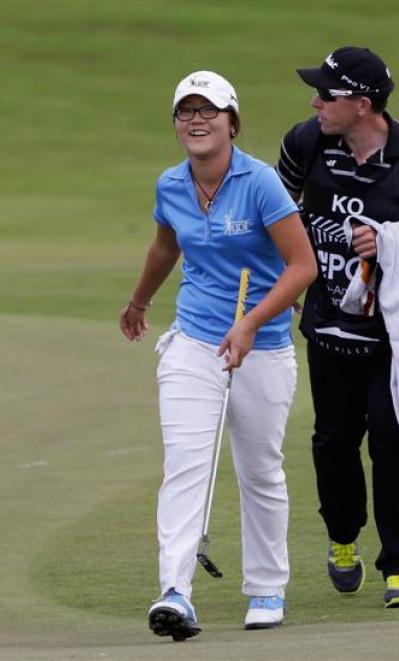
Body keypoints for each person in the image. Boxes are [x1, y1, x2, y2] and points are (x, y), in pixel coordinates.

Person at [120, 70, 316, 641]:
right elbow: (165, 244)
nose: (196, 120)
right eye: (186, 111)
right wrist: (139, 301)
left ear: (232, 122)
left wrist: (253, 322)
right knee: (186, 465)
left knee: (259, 470)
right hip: (194, 342)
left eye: (209, 110)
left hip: (264, 346)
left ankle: (266, 586)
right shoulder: (171, 185)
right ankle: (175, 592)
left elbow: (301, 267)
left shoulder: (261, 185)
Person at [276, 46, 399, 607]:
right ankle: (342, 538)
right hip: (330, 323)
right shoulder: (304, 142)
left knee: (393, 441)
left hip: (397, 332)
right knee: (333, 443)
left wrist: (393, 237)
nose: (315, 101)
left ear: (362, 105)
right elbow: (275, 212)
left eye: (327, 94)